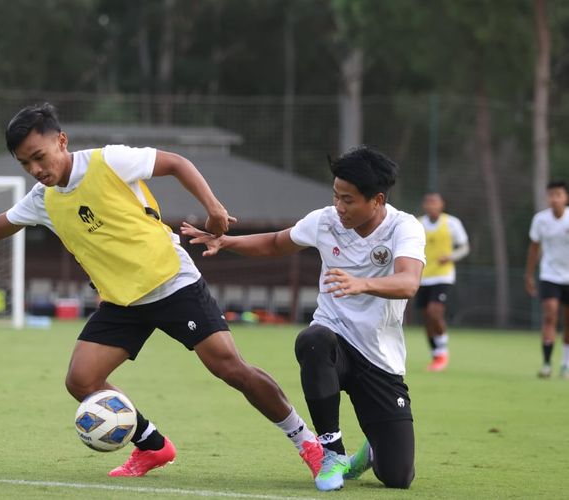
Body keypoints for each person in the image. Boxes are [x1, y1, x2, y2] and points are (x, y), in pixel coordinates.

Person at [0, 103, 324, 482]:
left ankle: (308, 443)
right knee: (81, 380)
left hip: (171, 282)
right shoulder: (43, 198)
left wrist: (213, 207)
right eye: (26, 164)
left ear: (61, 141)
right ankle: (153, 445)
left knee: (232, 369)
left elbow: (177, 163)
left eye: (39, 157)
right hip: (122, 301)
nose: (37, 170)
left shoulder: (109, 161)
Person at [182, 146, 425, 491]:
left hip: (379, 357)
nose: (339, 207)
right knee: (313, 340)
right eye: (336, 196)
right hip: (334, 342)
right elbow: (275, 243)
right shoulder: (325, 221)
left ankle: (371, 452)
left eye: (349, 200)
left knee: (398, 477)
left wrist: (362, 283)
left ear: (377, 200)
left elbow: (408, 282)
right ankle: (332, 451)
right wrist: (226, 242)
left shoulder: (404, 227)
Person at [415, 193, 469, 372]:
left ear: (441, 205)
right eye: (428, 203)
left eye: (435, 202)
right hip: (422, 277)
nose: (431, 206)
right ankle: (435, 354)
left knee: (434, 312)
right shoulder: (418, 224)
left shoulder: (452, 223)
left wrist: (451, 257)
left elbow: (464, 247)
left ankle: (442, 352)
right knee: (427, 317)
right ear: (424, 205)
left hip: (443, 276)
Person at [525, 180, 569, 379]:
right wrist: (529, 274)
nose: (554, 199)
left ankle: (566, 364)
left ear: (565, 197)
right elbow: (534, 248)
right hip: (549, 274)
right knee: (550, 315)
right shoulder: (540, 220)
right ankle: (546, 363)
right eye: (551, 195)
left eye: (558, 194)